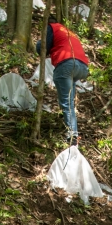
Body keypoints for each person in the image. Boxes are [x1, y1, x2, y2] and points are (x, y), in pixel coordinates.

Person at [37, 17, 89, 145]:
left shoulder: (52, 28)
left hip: (66, 64)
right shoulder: (68, 31)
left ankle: (72, 136)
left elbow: (42, 47)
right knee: (69, 100)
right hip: (82, 67)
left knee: (66, 102)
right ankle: (72, 130)